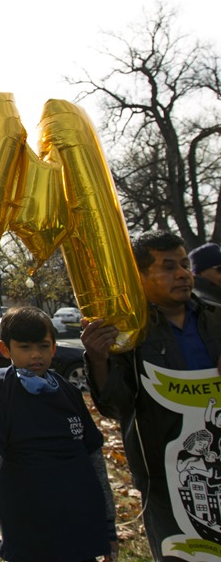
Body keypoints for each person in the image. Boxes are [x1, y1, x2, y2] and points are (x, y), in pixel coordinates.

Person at [83, 229, 221, 560]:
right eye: (169, 267)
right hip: (166, 478)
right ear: (139, 275)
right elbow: (118, 406)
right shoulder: (130, 334)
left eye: (185, 265)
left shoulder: (216, 319)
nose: (183, 275)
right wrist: (99, 359)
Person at [0, 306, 117, 561]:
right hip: (29, 524)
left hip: (82, 521)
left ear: (54, 348)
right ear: (6, 349)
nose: (35, 355)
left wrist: (108, 528)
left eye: (43, 346)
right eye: (24, 347)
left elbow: (93, 456)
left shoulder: (68, 391)